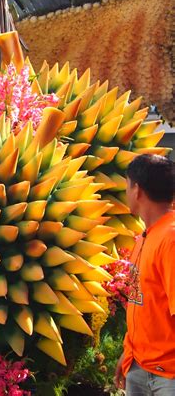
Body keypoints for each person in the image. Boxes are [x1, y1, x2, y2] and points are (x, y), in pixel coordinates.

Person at [114, 153, 175, 395]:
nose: (126, 192)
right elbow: (146, 304)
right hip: (140, 366)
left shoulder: (170, 238)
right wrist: (128, 352)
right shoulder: (146, 237)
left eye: (127, 186)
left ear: (137, 190)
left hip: (167, 377)